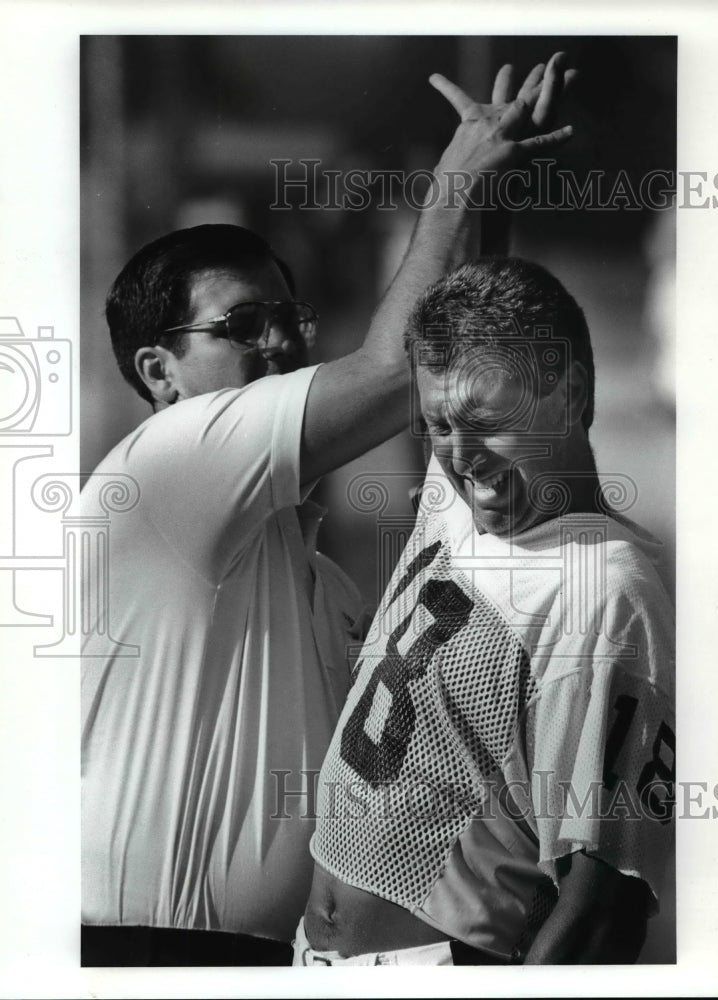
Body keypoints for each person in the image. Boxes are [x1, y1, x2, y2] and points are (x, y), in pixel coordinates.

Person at [81, 55, 577, 965]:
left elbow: (445, 377)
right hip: (137, 954)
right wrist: (459, 175)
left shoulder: (320, 579)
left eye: (285, 318)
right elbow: (397, 372)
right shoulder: (168, 458)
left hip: (267, 960)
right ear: (159, 372)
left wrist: (487, 206)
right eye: (239, 327)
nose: (276, 341)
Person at [299, 256, 675, 965]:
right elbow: (424, 334)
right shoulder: (465, 497)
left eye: (487, 422)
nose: (462, 458)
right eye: (439, 426)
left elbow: (603, 910)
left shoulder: (605, 593)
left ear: (569, 396)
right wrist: (468, 164)